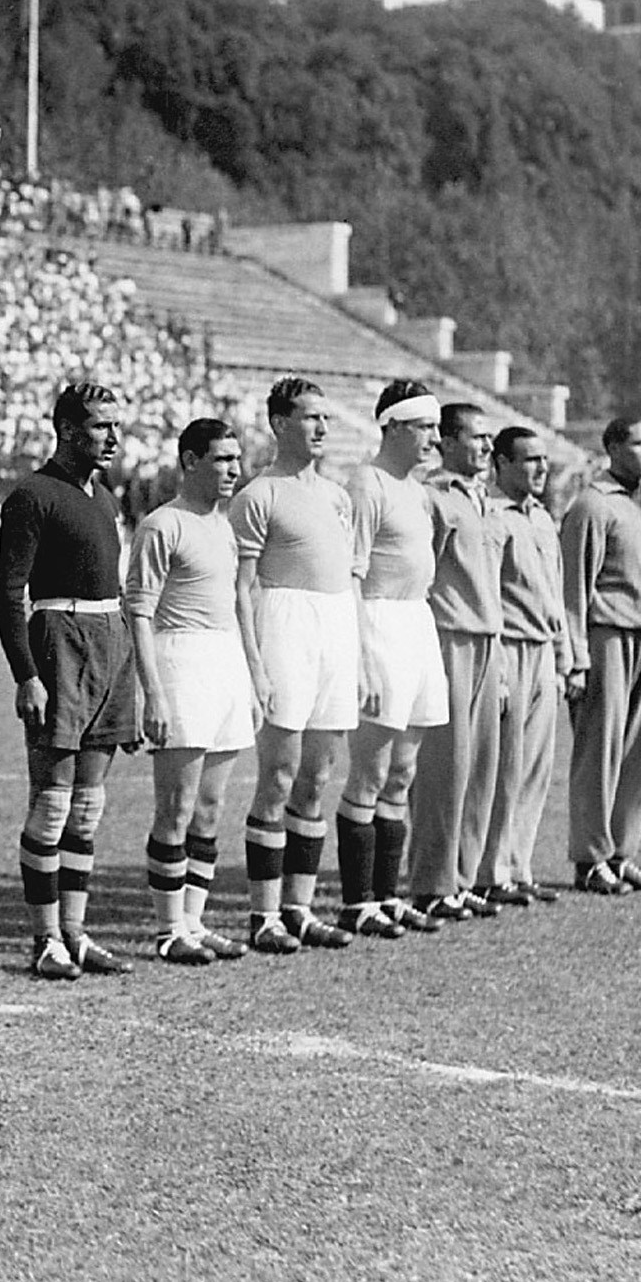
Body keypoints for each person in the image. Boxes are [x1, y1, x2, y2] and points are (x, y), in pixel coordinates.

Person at [0, 381, 138, 981]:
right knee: (52, 806)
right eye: (101, 425)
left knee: (88, 809)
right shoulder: (34, 494)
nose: (112, 436)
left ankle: (76, 933)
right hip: (60, 638)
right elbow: (7, 592)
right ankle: (45, 938)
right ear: (69, 429)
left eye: (114, 424)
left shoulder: (103, 498)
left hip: (110, 642)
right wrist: (27, 674)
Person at [230, 377, 359, 955]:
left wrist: (355, 655)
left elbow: (348, 583)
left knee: (318, 777)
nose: (321, 428)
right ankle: (264, 915)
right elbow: (243, 587)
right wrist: (254, 665)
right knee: (279, 776)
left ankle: (300, 910)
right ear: (280, 423)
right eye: (309, 417)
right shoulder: (260, 495)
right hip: (284, 627)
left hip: (334, 628)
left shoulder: (337, 496)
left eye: (325, 418)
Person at [124, 418, 253, 967]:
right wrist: (151, 692)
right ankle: (168, 928)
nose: (233, 470)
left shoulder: (224, 527)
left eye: (237, 460)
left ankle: (195, 923)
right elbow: (139, 610)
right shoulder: (162, 526)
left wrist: (248, 674)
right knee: (175, 806)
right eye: (222, 459)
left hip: (223, 659)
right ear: (192, 461)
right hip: (180, 661)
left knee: (211, 805)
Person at [332, 382, 448, 941]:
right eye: (425, 427)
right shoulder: (366, 484)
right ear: (395, 427)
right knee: (371, 772)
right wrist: (362, 657)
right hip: (378, 622)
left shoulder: (418, 491)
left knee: (403, 772)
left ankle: (387, 896)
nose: (434, 438)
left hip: (416, 621)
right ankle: (356, 902)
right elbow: (351, 574)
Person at [561, 417, 641, 895]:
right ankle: (590, 858)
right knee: (599, 750)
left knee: (638, 752)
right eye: (640, 444)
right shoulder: (591, 504)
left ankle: (622, 851)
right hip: (608, 633)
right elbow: (573, 588)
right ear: (612, 447)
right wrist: (575, 656)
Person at [407, 403, 505, 921]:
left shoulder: (481, 498)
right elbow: (423, 577)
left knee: (481, 766)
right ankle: (430, 881)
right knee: (445, 766)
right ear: (446, 441)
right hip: (449, 637)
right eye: (476, 437)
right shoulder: (434, 499)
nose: (487, 447)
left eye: (490, 439)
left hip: (488, 638)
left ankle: (462, 878)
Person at [479, 426, 570, 905]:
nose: (540, 469)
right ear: (502, 463)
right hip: (509, 647)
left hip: (541, 650)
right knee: (505, 769)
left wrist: (564, 656)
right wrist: (495, 668)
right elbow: (489, 595)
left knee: (536, 767)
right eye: (529, 460)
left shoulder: (542, 518)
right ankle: (491, 870)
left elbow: (554, 593)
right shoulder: (492, 518)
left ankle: (519, 864)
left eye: (544, 460)